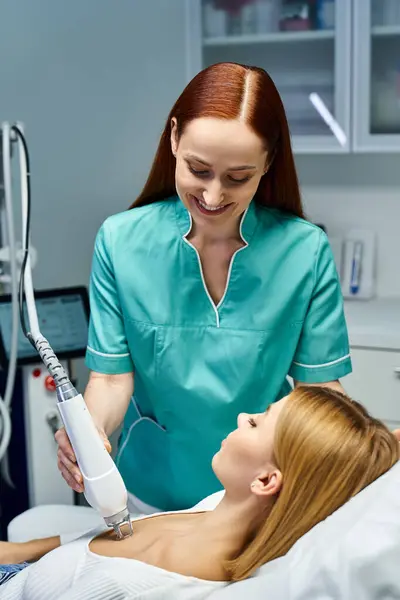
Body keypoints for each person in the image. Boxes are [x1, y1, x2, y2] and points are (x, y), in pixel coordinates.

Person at [56, 61, 354, 517]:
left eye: (238, 178)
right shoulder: (121, 242)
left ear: (268, 162)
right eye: (198, 170)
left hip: (259, 499)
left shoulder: (304, 251)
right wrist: (89, 432)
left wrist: (364, 446)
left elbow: (320, 394)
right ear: (174, 138)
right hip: (148, 496)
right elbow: (112, 378)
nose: (213, 197)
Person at [1, 386, 399, 599]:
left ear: (265, 481)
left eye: (258, 424)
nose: (243, 416)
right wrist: (19, 551)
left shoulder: (145, 589)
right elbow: (111, 537)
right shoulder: (217, 508)